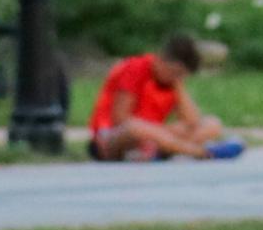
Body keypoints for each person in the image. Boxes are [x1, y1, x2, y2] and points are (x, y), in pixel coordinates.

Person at [89, 34, 242, 162]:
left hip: (154, 137)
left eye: (181, 75)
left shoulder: (172, 82)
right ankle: (202, 153)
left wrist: (178, 87)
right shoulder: (136, 68)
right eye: (174, 72)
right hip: (113, 138)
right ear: (161, 60)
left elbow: (192, 122)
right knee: (136, 127)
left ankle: (158, 151)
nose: (175, 78)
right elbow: (121, 119)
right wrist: (157, 135)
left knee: (212, 124)